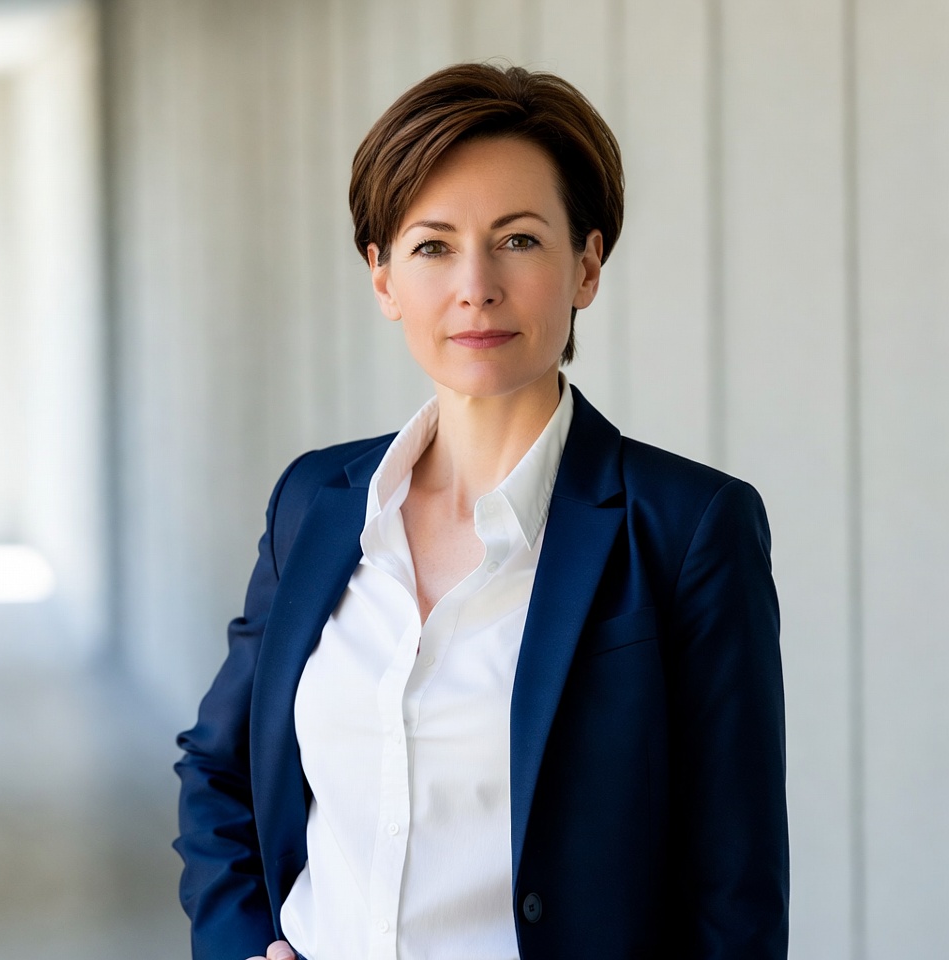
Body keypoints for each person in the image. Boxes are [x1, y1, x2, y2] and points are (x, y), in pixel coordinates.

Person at [174, 62, 789, 960]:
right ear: (382, 278)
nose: (476, 286)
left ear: (586, 264)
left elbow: (734, 890)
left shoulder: (689, 530)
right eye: (431, 246)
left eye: (518, 240)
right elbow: (220, 769)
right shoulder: (314, 503)